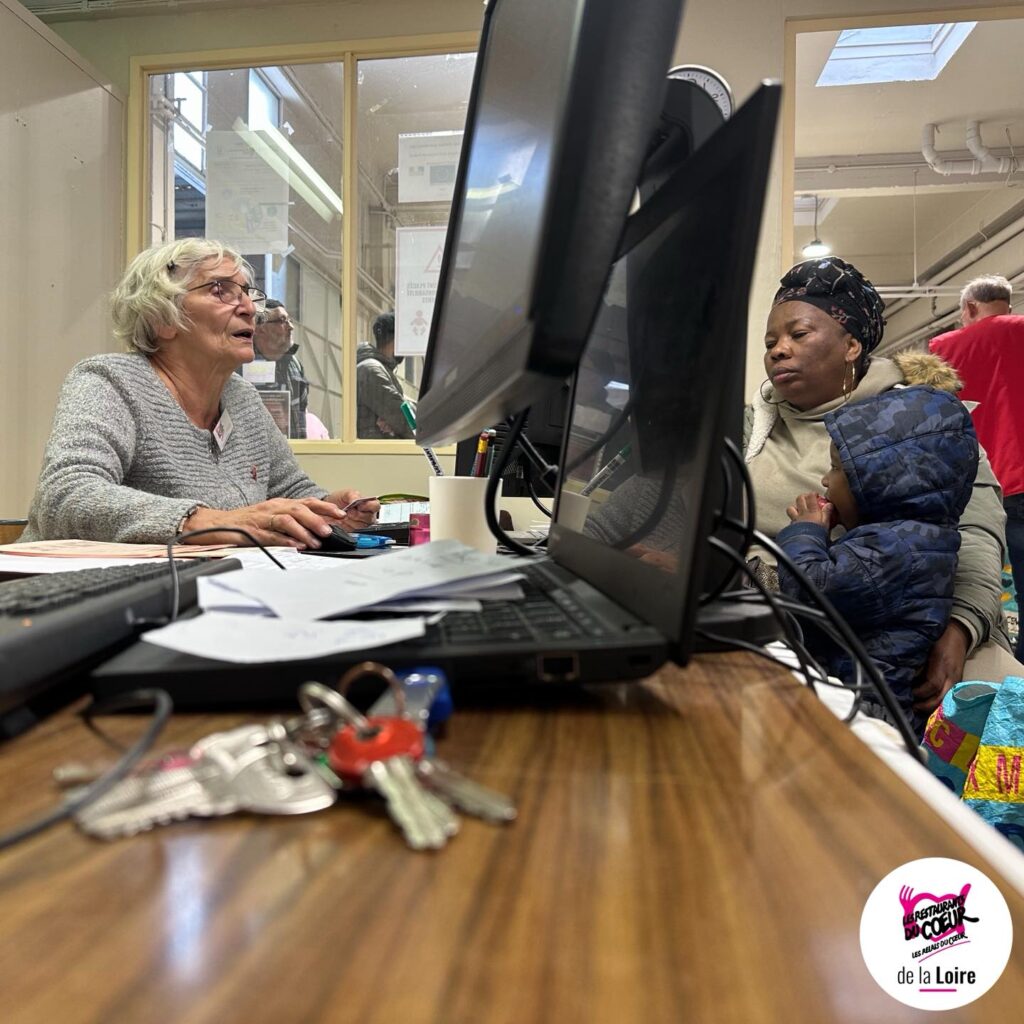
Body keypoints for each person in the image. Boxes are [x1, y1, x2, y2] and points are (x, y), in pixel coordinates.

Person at [746, 255, 1020, 714]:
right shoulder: (750, 428)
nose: (778, 350)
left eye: (799, 334)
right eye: (771, 342)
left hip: (904, 627)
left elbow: (974, 535)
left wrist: (960, 627)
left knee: (997, 713)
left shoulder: (922, 423)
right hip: (778, 622)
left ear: (851, 345)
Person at [21, 239, 377, 548]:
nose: (250, 309)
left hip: (204, 587)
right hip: (72, 594)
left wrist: (329, 511)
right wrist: (211, 521)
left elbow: (288, 489)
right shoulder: (110, 381)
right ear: (162, 318)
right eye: (221, 290)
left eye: (248, 294)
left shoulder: (243, 399)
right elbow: (65, 496)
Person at [777, 387, 978, 732]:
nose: (825, 480)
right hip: (856, 698)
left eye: (837, 469)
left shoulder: (892, 548)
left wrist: (805, 531)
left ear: (885, 484)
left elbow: (809, 592)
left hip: (860, 712)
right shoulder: (910, 539)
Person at [929, 274, 1024, 660]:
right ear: (1008, 305)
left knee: (979, 584)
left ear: (969, 307)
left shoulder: (943, 348)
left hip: (980, 486)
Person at [241, 298, 310, 439]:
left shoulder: (295, 365)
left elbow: (301, 418)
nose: (291, 327)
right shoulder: (240, 363)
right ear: (259, 328)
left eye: (290, 320)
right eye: (282, 321)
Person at [356, 312, 414, 439]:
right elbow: (406, 419)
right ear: (397, 340)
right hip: (376, 450)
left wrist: (392, 422)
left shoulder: (380, 369)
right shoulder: (371, 370)